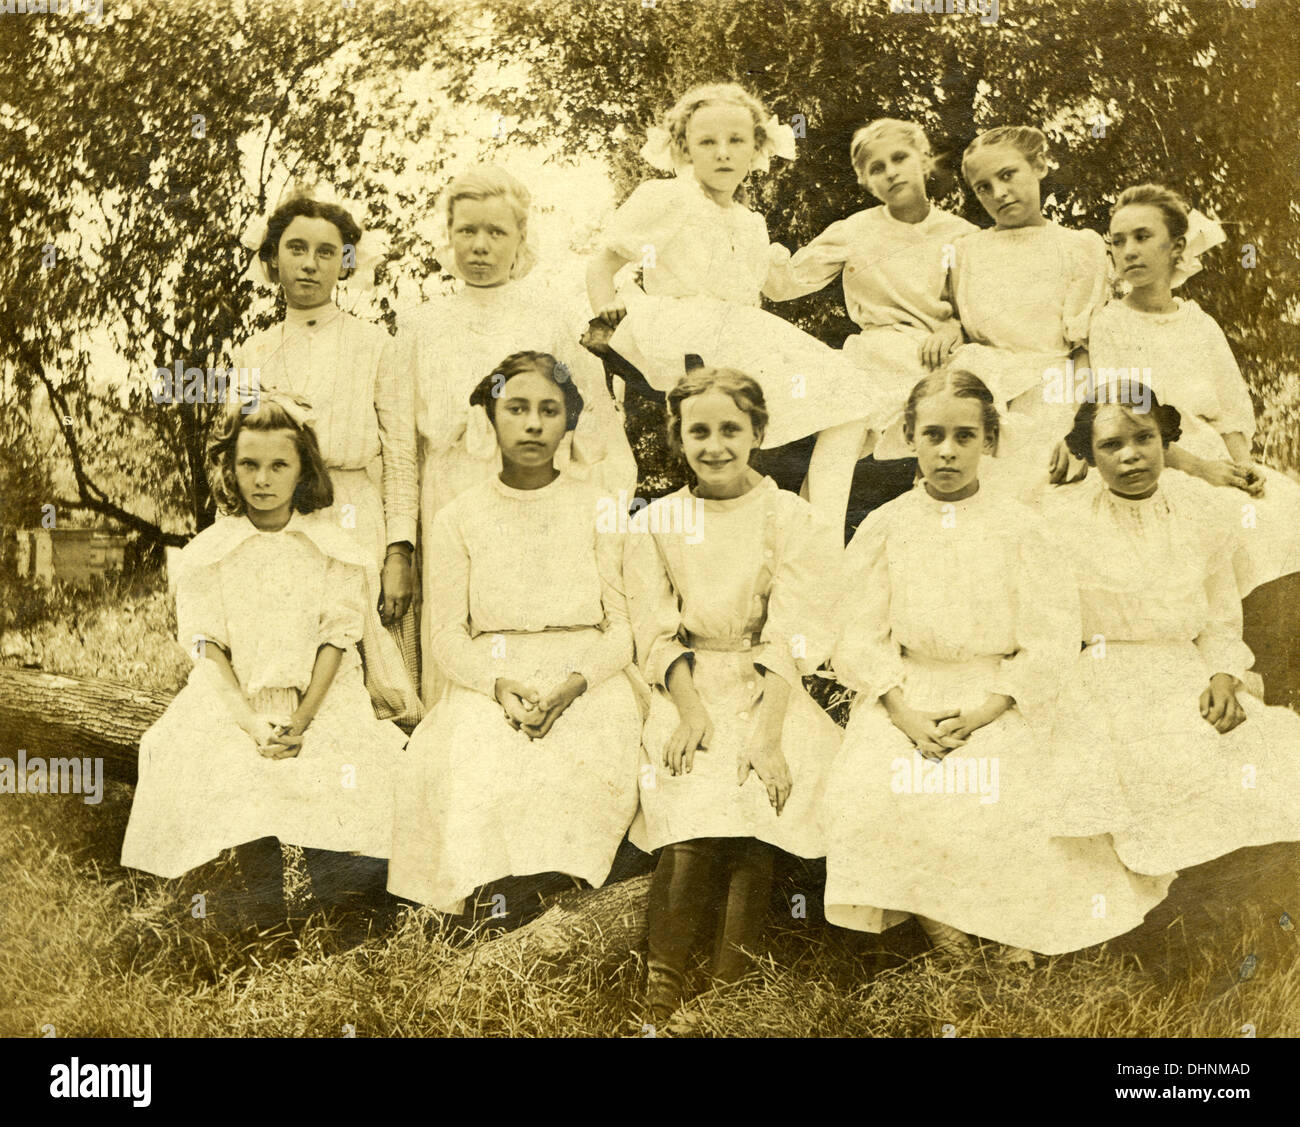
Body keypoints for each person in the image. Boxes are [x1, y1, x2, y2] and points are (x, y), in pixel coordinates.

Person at [824, 368, 1171, 962]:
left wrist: (989, 708)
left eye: (965, 436)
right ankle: (947, 932)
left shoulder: (1021, 528)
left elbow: (1050, 634)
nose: (948, 451)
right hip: (911, 691)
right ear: (910, 436)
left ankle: (1014, 931)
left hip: (1001, 692)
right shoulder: (887, 527)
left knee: (1005, 780)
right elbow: (858, 634)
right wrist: (903, 712)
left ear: (989, 441)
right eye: (933, 435)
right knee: (879, 779)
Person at [120, 394, 405, 936]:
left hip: (321, 699)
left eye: (280, 465)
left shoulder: (332, 549)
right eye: (248, 464)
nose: (263, 479)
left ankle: (341, 911)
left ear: (304, 471)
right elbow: (208, 649)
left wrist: (302, 720)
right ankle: (256, 912)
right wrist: (251, 722)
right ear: (229, 468)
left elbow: (336, 641)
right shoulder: (210, 552)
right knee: (199, 758)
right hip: (236, 701)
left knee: (355, 771)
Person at [622, 367, 843, 1022]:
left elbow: (792, 635)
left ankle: (728, 988)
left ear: (758, 432)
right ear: (678, 438)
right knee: (689, 786)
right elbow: (655, 631)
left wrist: (768, 731)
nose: (714, 445)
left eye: (730, 429)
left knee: (762, 791)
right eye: (699, 431)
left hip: (772, 687)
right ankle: (660, 989)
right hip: (687, 682)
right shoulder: (657, 521)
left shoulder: (793, 517)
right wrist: (689, 709)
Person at [387, 352, 642, 917]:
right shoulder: (459, 516)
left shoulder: (600, 507)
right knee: (475, 754)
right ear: (490, 418)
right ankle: (489, 909)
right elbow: (448, 636)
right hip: (494, 672)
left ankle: (563, 901)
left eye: (549, 410)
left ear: (569, 422)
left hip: (587, 670)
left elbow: (623, 629)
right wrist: (497, 684)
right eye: (517, 408)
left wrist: (574, 686)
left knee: (585, 749)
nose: (532, 424)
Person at [586, 82, 891, 527]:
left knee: (854, 400)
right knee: (827, 400)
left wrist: (850, 242)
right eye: (707, 142)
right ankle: (811, 531)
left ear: (756, 150)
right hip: (681, 328)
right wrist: (607, 317)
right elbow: (602, 264)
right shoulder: (669, 198)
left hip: (743, 334)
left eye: (736, 142)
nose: (722, 153)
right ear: (684, 149)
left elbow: (781, 284)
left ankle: (815, 530)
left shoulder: (750, 223)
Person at [402, 165, 635, 706]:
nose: (480, 246)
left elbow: (592, 415)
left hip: (535, 494)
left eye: (497, 232)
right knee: (457, 624)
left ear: (520, 239)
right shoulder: (420, 325)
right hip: (450, 491)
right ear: (450, 234)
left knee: (528, 612)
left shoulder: (550, 318)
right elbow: (400, 444)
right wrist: (402, 541)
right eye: (467, 231)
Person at [1043, 385, 1300, 875]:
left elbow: (1221, 615)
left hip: (1187, 667)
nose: (1131, 455)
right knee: (1156, 767)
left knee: (1262, 754)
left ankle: (1248, 874)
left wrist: (1225, 675)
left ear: (1166, 441)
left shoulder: (1201, 512)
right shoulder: (1063, 520)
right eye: (1111, 445)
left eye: (1143, 438)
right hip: (1105, 674)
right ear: (1090, 457)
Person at [236, 185, 420, 724]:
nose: (310, 264)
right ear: (272, 262)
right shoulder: (255, 351)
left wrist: (398, 554)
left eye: (326, 251)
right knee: (293, 656)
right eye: (296, 249)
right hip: (283, 522)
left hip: (356, 518)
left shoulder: (376, 345)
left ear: (345, 263)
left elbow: (402, 459)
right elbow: (239, 457)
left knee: (370, 665)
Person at [1089, 183, 1300, 594]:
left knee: (1283, 508)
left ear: (1176, 246)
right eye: (1118, 241)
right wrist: (1202, 470)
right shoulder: (1110, 324)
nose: (1128, 250)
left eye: (1142, 236)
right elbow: (1126, 418)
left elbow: (1231, 410)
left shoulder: (1199, 323)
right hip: (1160, 462)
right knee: (1224, 519)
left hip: (1217, 459)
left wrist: (1245, 468)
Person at [765, 118, 977, 526]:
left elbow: (982, 309)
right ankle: (814, 538)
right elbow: (784, 282)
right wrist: (744, 235)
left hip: (940, 359)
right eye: (877, 168)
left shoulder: (961, 235)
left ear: (925, 161)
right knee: (842, 418)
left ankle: (947, 535)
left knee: (954, 430)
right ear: (865, 182)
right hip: (876, 353)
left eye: (899, 158)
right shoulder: (856, 231)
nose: (891, 171)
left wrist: (955, 329)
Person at [949, 125, 1109, 492]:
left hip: (1052, 392)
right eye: (983, 187)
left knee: (1047, 496)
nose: (999, 193)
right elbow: (956, 318)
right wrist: (950, 328)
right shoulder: (965, 251)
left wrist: (1079, 430)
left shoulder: (1078, 247)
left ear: (1038, 166)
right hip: (984, 388)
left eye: (1008, 175)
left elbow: (1083, 349)